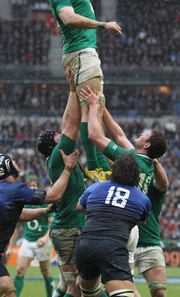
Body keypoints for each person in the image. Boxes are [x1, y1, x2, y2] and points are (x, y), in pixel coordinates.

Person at [39, 0, 122, 182]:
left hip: (76, 55)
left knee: (86, 111)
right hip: (82, 54)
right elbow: (66, 17)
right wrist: (102, 24)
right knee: (93, 106)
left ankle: (95, 163)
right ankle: (97, 166)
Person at [0, 149, 80, 297]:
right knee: (8, 294)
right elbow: (55, 195)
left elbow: (19, 215)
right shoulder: (15, 189)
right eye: (11, 162)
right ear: (6, 167)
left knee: (3, 294)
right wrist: (68, 167)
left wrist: (45, 211)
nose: (15, 163)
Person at [35, 70, 87, 297]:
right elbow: (71, 124)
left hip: (74, 226)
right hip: (68, 229)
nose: (60, 134)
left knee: (67, 286)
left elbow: (68, 124)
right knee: (78, 288)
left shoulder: (60, 158)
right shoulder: (57, 157)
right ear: (52, 145)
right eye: (56, 136)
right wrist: (73, 89)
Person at [76, 154, 152, 297]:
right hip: (112, 246)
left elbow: (79, 207)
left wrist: (101, 209)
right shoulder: (142, 199)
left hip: (85, 244)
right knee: (126, 294)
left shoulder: (95, 187)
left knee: (90, 294)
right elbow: (141, 220)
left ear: (114, 170)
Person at [6, 177, 58, 297]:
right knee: (19, 270)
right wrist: (10, 247)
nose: (33, 188)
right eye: (30, 186)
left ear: (38, 188)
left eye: (35, 186)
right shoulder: (21, 205)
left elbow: (53, 224)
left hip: (43, 242)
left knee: (46, 272)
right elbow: (17, 228)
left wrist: (45, 238)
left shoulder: (45, 203)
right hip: (27, 241)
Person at [132, 159, 169, 297]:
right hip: (123, 241)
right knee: (123, 290)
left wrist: (153, 160)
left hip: (149, 241)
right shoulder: (124, 179)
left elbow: (164, 184)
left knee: (159, 292)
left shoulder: (154, 182)